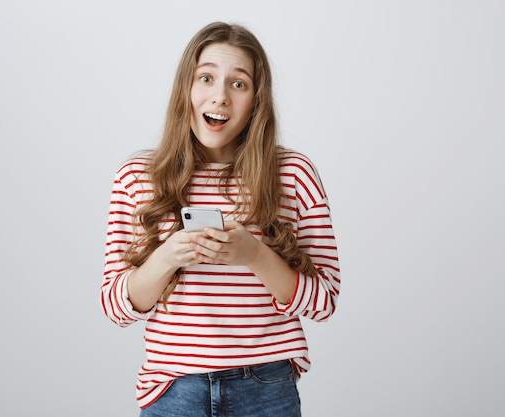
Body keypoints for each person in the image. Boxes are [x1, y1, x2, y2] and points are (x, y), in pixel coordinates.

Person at [100, 21, 341, 417]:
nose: (221, 96)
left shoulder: (294, 175)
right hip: (172, 391)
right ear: (186, 90)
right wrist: (167, 257)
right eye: (206, 78)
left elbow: (324, 302)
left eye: (239, 84)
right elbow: (115, 307)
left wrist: (256, 255)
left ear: (256, 100)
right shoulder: (137, 176)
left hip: (267, 389)